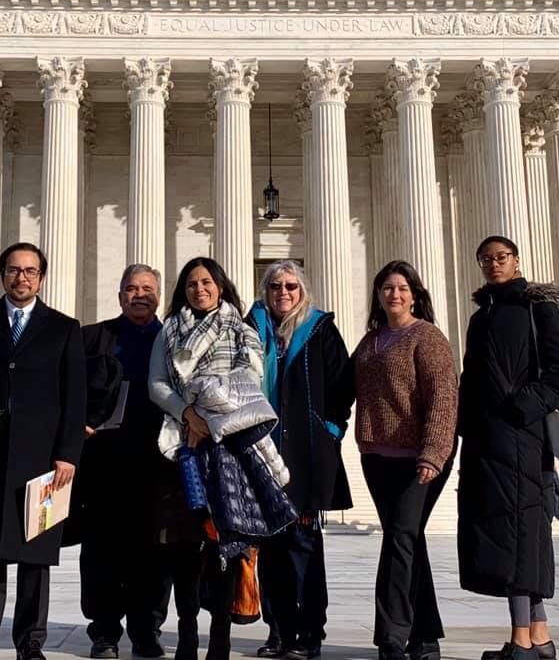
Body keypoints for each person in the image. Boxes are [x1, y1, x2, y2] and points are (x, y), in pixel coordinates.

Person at [0, 242, 86, 660]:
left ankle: (30, 642)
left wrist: (68, 454)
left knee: (35, 558)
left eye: (29, 271)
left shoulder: (63, 328)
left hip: (42, 461)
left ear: (41, 277)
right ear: (1, 274)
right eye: (13, 270)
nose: (21, 278)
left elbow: (73, 398)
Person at [150, 257, 291, 660]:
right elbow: (156, 383)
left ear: (220, 286)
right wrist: (186, 413)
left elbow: (249, 382)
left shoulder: (242, 330)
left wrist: (207, 416)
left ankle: (221, 637)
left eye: (207, 281)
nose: (200, 289)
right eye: (192, 283)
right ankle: (188, 632)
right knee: (182, 547)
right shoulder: (170, 329)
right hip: (181, 444)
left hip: (227, 446)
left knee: (224, 544)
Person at [458, 237, 559, 660]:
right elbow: (472, 379)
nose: (494, 264)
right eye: (486, 259)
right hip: (486, 442)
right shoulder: (480, 317)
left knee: (520, 537)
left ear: (516, 261)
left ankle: (520, 642)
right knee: (512, 535)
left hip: (522, 439)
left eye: (501, 257)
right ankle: (541, 637)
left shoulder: (537, 307)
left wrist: (520, 408)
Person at [246, 261, 355, 660]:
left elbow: (343, 383)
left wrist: (330, 429)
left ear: (302, 289)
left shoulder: (319, 330)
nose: (283, 292)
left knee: (304, 544)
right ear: (265, 289)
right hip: (261, 452)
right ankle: (278, 631)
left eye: (291, 286)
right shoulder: (250, 328)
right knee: (272, 546)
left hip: (308, 454)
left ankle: (310, 633)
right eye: (275, 286)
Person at [351, 261, 458, 660]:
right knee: (408, 539)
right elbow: (345, 386)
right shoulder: (370, 342)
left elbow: (444, 398)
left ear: (415, 294)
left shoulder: (427, 337)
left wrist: (433, 454)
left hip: (420, 458)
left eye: (402, 288)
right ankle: (425, 635)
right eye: (387, 288)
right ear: (378, 295)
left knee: (399, 539)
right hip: (378, 458)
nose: (394, 294)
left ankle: (392, 636)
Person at [75, 264, 169, 660]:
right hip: (104, 458)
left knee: (155, 550)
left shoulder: (173, 339)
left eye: (147, 288)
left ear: (159, 295)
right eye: (131, 288)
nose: (139, 295)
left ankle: (147, 629)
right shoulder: (93, 337)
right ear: (119, 295)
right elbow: (70, 387)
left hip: (158, 458)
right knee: (101, 548)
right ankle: (105, 631)